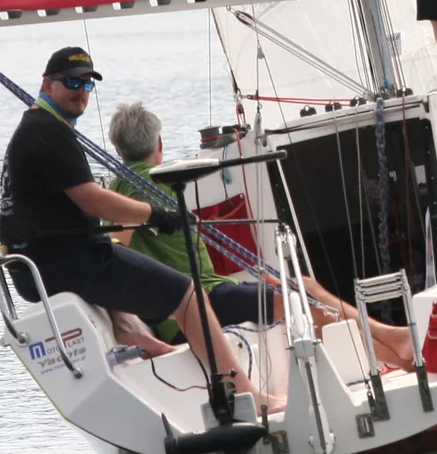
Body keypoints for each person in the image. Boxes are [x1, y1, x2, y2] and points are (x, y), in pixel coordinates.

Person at [0, 46, 277, 412]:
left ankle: (151, 346)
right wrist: (155, 214)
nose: (80, 91)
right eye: (70, 82)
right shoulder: (48, 132)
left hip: (43, 263)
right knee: (190, 296)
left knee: (128, 279)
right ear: (47, 84)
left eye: (86, 84)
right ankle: (249, 398)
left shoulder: (36, 127)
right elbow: (92, 200)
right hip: (66, 263)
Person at [104, 101, 416, 367]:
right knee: (297, 301)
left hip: (207, 294)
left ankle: (394, 344)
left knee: (302, 287)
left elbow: (117, 251)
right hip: (196, 305)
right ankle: (393, 349)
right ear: (160, 145)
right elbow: (117, 250)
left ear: (118, 151)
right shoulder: (134, 187)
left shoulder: (131, 187)